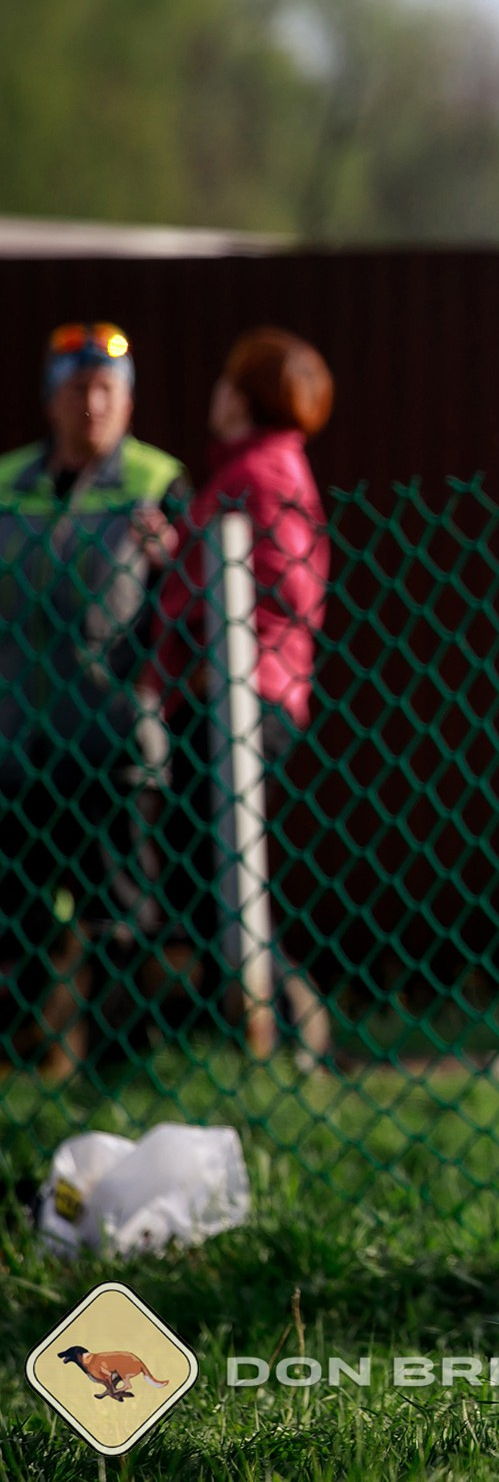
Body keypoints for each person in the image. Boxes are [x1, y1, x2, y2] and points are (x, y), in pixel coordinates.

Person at [1, 323, 189, 1080]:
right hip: (14, 744)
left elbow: (198, 600)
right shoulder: (8, 482)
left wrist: (173, 559)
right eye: (79, 387)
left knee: (120, 912)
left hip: (110, 744)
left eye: (109, 389)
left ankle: (119, 1071)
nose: (94, 403)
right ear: (51, 397)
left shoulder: (156, 482)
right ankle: (26, 1061)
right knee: (17, 914)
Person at [146, 326, 335, 1065]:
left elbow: (288, 586)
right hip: (223, 692)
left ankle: (283, 1019)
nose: (214, 394)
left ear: (247, 396)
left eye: (228, 382)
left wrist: (218, 641)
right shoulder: (243, 472)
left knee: (207, 865)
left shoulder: (265, 470)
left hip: (243, 696)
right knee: (205, 866)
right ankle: (252, 1024)